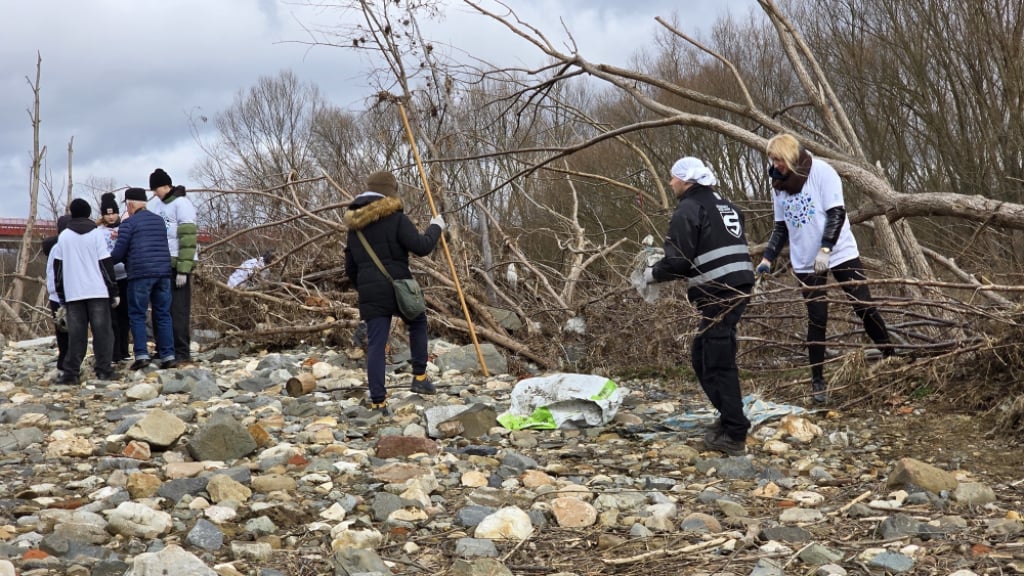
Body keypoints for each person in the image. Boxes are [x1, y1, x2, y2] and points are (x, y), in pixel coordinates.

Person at [758, 133, 893, 403]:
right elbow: (780, 226)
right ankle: (818, 382)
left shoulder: (821, 172)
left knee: (863, 305)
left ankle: (890, 357)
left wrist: (826, 249)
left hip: (839, 251)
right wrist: (767, 258)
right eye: (772, 160)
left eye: (778, 160)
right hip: (805, 261)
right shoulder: (778, 184)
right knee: (817, 318)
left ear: (790, 157)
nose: (775, 165)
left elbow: (836, 213)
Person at [644, 157, 755, 456]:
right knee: (703, 354)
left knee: (716, 360)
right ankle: (730, 418)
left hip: (719, 292)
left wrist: (651, 274)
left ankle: (735, 434)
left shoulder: (689, 208)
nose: (670, 183)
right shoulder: (727, 205)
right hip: (738, 286)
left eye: (673, 178)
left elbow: (679, 260)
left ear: (686, 180)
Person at [343, 170, 445, 414]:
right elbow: (421, 247)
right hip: (399, 286)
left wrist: (364, 287)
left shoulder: (354, 226)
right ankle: (419, 378)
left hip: (370, 292)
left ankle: (378, 401)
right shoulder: (397, 219)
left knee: (376, 344)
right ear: (390, 193)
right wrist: (436, 227)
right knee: (418, 322)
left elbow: (350, 267)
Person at [110, 187, 177, 370]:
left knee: (137, 314)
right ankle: (168, 356)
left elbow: (119, 253)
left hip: (140, 275)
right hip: (163, 273)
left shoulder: (128, 224)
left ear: (130, 204)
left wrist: (104, 261)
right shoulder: (159, 221)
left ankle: (142, 356)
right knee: (163, 314)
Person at [52, 199, 119, 384]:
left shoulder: (64, 237)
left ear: (72, 213)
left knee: (76, 336)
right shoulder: (96, 234)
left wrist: (61, 296)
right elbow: (106, 264)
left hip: (74, 294)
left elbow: (58, 270)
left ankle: (71, 373)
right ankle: (104, 370)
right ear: (89, 213)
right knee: (103, 334)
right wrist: (113, 290)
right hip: (97, 291)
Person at [148, 168, 198, 363]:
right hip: (162, 264)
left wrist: (184, 270)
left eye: (156, 189)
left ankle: (182, 352)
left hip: (178, 265)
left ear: (166, 186)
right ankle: (165, 350)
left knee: (178, 310)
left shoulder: (181, 204)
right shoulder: (159, 207)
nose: (154, 193)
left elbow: (187, 237)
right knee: (162, 309)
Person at [98, 192, 131, 362]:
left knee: (125, 316)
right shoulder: (98, 232)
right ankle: (113, 353)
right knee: (112, 319)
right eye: (107, 213)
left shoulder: (124, 227)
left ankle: (124, 351)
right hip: (108, 280)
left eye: (113, 213)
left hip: (125, 277)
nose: (111, 217)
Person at [42, 215, 71, 375]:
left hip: (55, 296)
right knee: (68, 331)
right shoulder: (60, 248)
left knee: (62, 332)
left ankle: (64, 363)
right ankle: (66, 363)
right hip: (64, 296)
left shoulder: (55, 247)